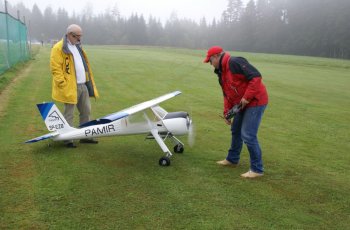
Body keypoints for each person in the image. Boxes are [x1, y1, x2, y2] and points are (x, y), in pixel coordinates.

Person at [203, 46, 268, 178]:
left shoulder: (235, 62)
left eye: (210, 61)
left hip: (256, 101)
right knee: (236, 130)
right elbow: (227, 94)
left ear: (216, 56)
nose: (210, 64)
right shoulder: (221, 73)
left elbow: (256, 77)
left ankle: (257, 169)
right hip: (242, 104)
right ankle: (232, 159)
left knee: (248, 134)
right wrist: (228, 113)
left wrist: (247, 97)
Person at [50, 24, 99, 148]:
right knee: (69, 113)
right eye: (77, 36)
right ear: (69, 35)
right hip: (70, 87)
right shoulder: (58, 48)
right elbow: (56, 68)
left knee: (86, 111)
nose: (79, 39)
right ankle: (68, 139)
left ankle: (85, 136)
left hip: (83, 85)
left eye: (80, 36)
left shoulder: (78, 46)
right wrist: (62, 83)